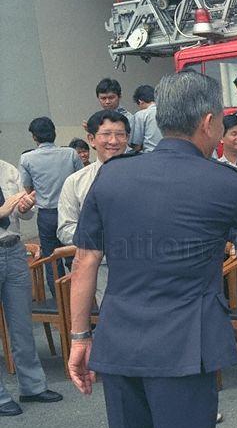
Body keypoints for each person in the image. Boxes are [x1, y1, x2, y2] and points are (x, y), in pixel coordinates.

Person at [67, 70, 237, 428]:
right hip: (184, 349)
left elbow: (86, 260)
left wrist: (80, 337)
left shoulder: (111, 177)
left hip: (118, 343)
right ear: (209, 123)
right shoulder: (225, 184)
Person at [0, 156, 62, 428]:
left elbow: (22, 215)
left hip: (13, 250)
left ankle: (33, 387)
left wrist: (25, 207)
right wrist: (5, 207)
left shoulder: (7, 169)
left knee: (22, 322)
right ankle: (1, 399)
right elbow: (6, 209)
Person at [58, 110, 131, 305]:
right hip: (101, 268)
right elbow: (65, 229)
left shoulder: (146, 176)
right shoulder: (75, 182)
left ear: (128, 138)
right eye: (106, 134)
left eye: (120, 134)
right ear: (91, 139)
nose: (113, 141)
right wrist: (103, 239)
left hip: (143, 263)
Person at [19, 116, 82, 296]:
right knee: (75, 257)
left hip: (46, 215)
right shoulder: (70, 153)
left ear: (34, 137)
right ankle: (84, 301)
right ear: (54, 133)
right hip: (72, 212)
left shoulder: (26, 158)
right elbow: (80, 180)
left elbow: (29, 188)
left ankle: (60, 305)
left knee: (51, 261)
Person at [129, 85, 161, 153]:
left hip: (149, 156)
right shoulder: (169, 112)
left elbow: (136, 146)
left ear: (140, 101)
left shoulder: (141, 115)